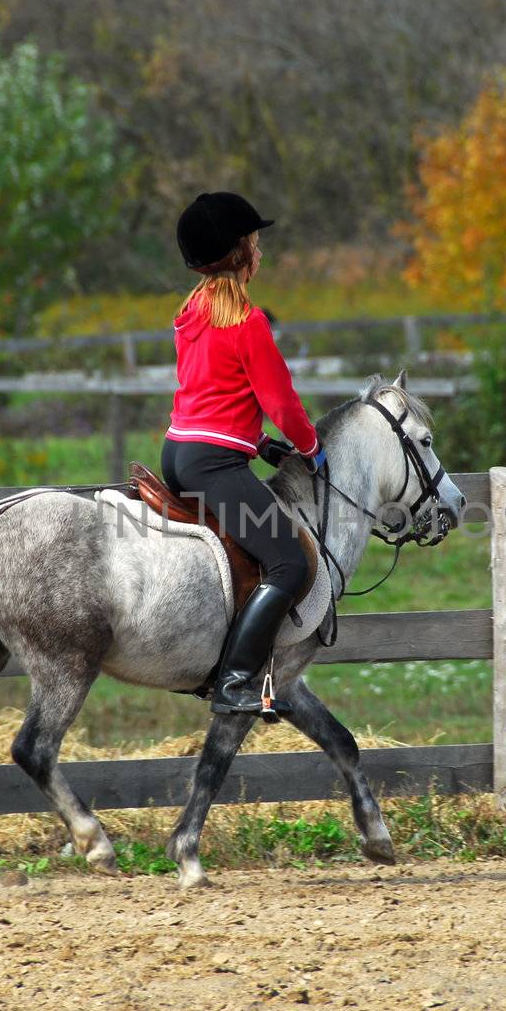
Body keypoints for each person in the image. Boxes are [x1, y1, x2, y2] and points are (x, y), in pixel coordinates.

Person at [162, 191, 325, 714]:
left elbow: (207, 394)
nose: (261, 254)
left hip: (179, 452)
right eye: (256, 244)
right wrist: (311, 447)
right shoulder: (249, 323)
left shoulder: (189, 314)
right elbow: (281, 400)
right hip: (212, 465)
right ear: (239, 254)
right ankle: (234, 682)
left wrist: (257, 444)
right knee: (289, 563)